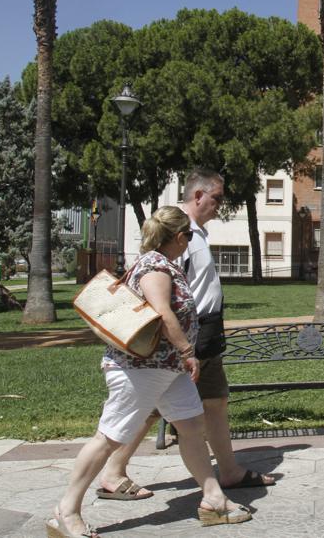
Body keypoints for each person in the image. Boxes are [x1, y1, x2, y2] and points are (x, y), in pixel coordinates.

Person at [48, 206, 251, 538]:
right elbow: (161, 313)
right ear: (179, 236)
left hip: (165, 369)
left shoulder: (162, 263)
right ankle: (65, 512)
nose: (189, 242)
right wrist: (188, 351)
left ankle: (214, 499)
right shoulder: (156, 267)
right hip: (141, 369)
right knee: (109, 438)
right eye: (188, 236)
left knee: (191, 426)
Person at [97, 169, 275, 501]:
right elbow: (165, 295)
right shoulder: (183, 237)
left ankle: (230, 471)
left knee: (215, 400)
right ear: (197, 196)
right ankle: (113, 470)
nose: (220, 205)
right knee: (152, 408)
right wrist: (182, 345)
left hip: (205, 334)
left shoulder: (197, 235)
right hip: (188, 340)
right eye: (217, 198)